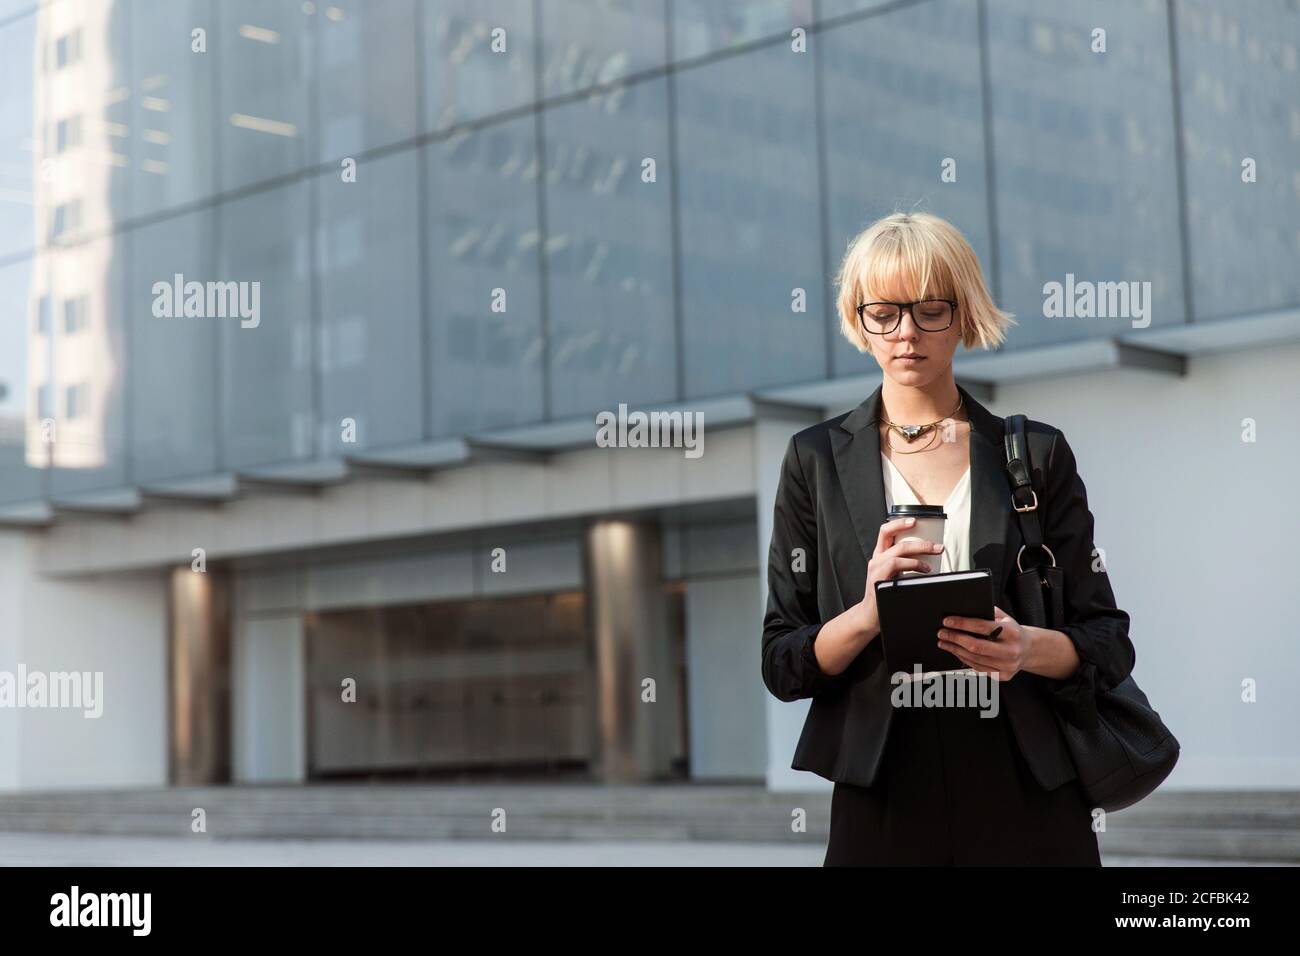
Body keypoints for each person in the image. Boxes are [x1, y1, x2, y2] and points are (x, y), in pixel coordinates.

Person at [760, 212, 1135, 865]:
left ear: (963, 316)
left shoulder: (1033, 454)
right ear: (859, 318)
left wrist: (1025, 648)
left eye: (931, 309)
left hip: (1027, 782)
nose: (906, 332)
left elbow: (1107, 642)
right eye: (884, 312)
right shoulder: (814, 461)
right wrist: (868, 613)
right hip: (881, 793)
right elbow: (783, 661)